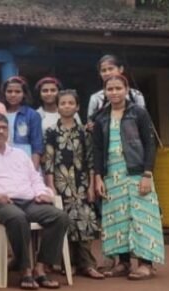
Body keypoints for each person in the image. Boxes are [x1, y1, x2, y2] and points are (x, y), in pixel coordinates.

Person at [0, 113, 70, 290]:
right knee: (18, 218)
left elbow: (35, 178)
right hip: (0, 204)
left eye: (4, 128)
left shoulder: (19, 154)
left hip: (29, 201)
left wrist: (42, 192)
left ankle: (40, 267)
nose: (0, 131)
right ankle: (25, 270)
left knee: (59, 217)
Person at [92, 74, 164, 280]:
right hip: (111, 174)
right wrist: (98, 177)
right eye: (110, 89)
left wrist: (147, 173)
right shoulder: (101, 117)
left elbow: (150, 144)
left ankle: (145, 264)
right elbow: (97, 150)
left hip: (136, 172)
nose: (114, 92)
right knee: (118, 219)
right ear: (105, 92)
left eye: (118, 88)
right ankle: (123, 263)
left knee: (143, 216)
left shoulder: (138, 113)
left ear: (126, 90)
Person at [43, 90, 103, 280]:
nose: (67, 106)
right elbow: (49, 161)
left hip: (82, 183)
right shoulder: (51, 132)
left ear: (77, 107)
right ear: (57, 107)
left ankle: (88, 264)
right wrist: (51, 187)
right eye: (63, 103)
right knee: (66, 222)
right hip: (61, 183)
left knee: (86, 222)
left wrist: (91, 186)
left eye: (71, 103)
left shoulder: (85, 132)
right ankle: (69, 264)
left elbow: (91, 160)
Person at [0, 76, 44, 167]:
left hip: (25, 159)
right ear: (4, 93)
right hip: (2, 159)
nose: (13, 95)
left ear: (24, 94)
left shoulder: (32, 115)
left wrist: (33, 169)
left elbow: (36, 145)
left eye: (18, 92)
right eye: (9, 91)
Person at [87, 55, 146, 121]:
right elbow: (90, 122)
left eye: (110, 69)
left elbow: (143, 120)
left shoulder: (135, 95)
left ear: (121, 69)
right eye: (103, 70)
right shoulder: (96, 98)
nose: (107, 73)